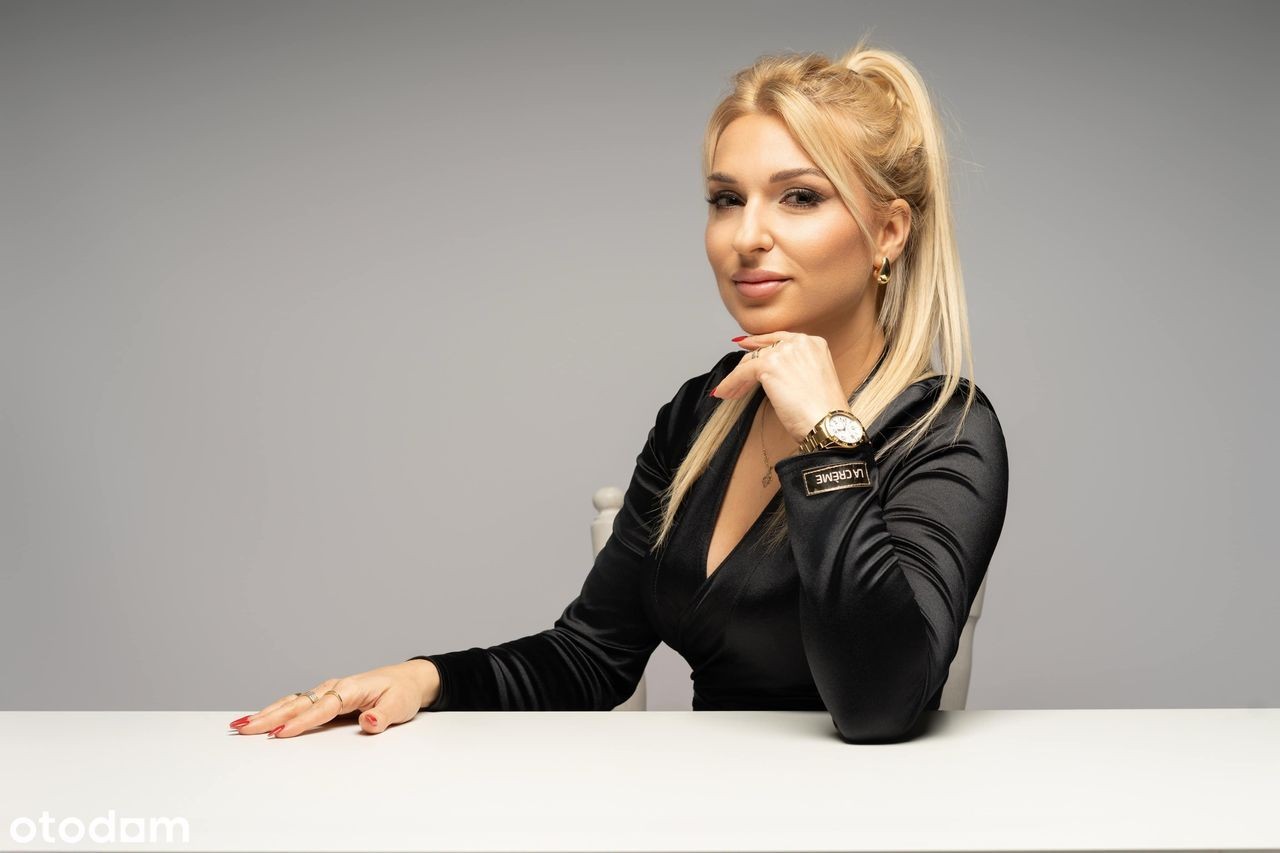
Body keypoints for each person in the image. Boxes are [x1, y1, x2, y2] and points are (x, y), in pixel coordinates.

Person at [227, 38, 1009, 745]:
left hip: (859, 824)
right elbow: (591, 656)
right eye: (726, 199)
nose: (746, 236)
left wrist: (826, 433)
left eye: (799, 196)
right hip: (700, 815)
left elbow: (879, 705)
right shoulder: (700, 414)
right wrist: (425, 678)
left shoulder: (946, 430)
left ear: (889, 232)